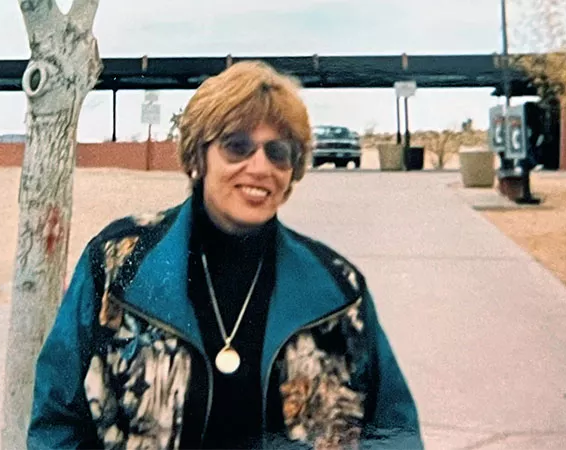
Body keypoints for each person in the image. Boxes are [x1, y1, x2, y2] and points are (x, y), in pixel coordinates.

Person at [27, 61, 423, 450]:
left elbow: (393, 429)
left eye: (279, 152)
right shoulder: (118, 263)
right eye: (238, 146)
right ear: (199, 157)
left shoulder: (338, 289)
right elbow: (58, 419)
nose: (260, 166)